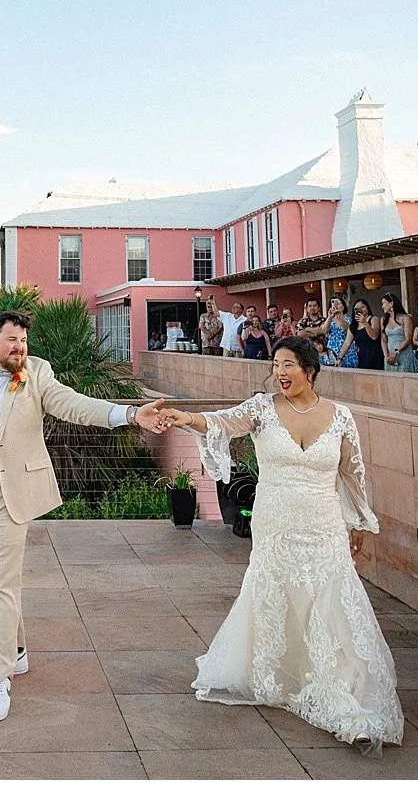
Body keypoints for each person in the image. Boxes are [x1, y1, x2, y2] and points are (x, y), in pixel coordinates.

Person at [0, 312, 171, 723]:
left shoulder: (36, 373)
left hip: (10, 498)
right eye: (12, 340)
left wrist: (129, 415)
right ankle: (16, 652)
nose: (19, 347)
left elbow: (74, 405)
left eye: (23, 340)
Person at [154, 336, 402, 756]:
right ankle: (278, 671)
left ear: (310, 369)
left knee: (331, 600)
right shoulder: (262, 410)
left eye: (288, 365)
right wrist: (184, 418)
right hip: (276, 524)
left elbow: (353, 472)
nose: (280, 373)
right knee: (275, 591)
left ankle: (340, 685)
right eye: (275, 365)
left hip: (324, 524)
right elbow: (220, 422)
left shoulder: (341, 417)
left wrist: (359, 521)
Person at [350, 298, 385, 372]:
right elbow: (347, 342)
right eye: (357, 308)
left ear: (367, 308)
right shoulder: (354, 325)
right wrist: (340, 358)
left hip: (374, 354)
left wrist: (365, 322)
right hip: (362, 354)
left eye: (362, 307)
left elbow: (374, 336)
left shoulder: (373, 319)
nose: (360, 310)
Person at [322, 298, 352, 367]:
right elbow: (324, 331)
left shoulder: (349, 320)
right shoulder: (329, 320)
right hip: (332, 351)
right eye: (334, 304)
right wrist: (330, 316)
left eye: (338, 304)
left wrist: (339, 317)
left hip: (347, 352)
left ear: (343, 307)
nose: (336, 306)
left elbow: (346, 328)